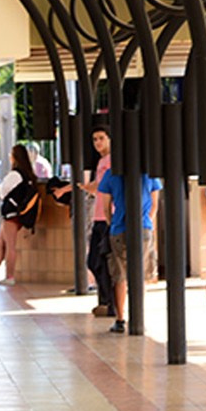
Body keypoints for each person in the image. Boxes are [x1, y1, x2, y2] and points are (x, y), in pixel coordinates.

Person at [98, 164, 161, 334]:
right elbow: (155, 204)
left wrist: (113, 224)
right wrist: (147, 223)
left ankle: (120, 319)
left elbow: (106, 207)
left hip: (119, 228)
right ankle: (138, 317)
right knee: (139, 275)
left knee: (120, 276)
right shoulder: (149, 173)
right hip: (144, 228)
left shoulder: (111, 173)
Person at [64, 125, 114, 317]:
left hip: (109, 215)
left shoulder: (112, 162)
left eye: (101, 138)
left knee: (102, 260)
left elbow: (105, 185)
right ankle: (105, 300)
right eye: (95, 139)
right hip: (99, 215)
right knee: (95, 261)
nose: (98, 143)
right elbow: (99, 187)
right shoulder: (101, 161)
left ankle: (109, 302)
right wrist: (86, 187)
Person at [0, 144, 36, 286]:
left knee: (10, 245)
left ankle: (9, 276)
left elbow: (2, 191)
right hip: (18, 214)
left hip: (11, 214)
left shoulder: (15, 174)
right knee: (0, 244)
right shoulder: (28, 174)